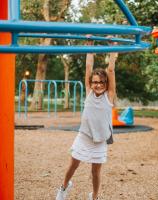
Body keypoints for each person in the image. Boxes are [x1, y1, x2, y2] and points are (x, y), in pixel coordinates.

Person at [56, 38, 118, 200]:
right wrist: (89, 48)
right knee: (73, 165)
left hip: (99, 140)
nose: (98, 85)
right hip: (84, 136)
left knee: (95, 171)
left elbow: (111, 70)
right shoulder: (89, 92)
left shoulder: (109, 96)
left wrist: (112, 49)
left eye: (102, 82)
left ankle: (95, 196)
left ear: (106, 83)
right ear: (91, 83)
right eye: (95, 82)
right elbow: (89, 67)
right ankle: (63, 187)